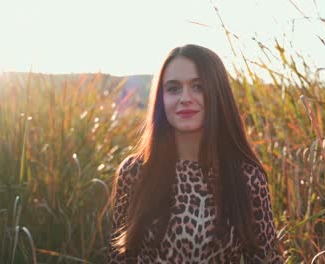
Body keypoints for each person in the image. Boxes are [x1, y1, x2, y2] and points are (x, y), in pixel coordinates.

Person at [107, 44, 283, 263]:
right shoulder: (135, 172)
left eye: (198, 86)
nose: (185, 98)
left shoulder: (247, 177)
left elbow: (267, 259)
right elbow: (119, 257)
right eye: (173, 88)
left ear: (217, 93)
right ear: (161, 99)